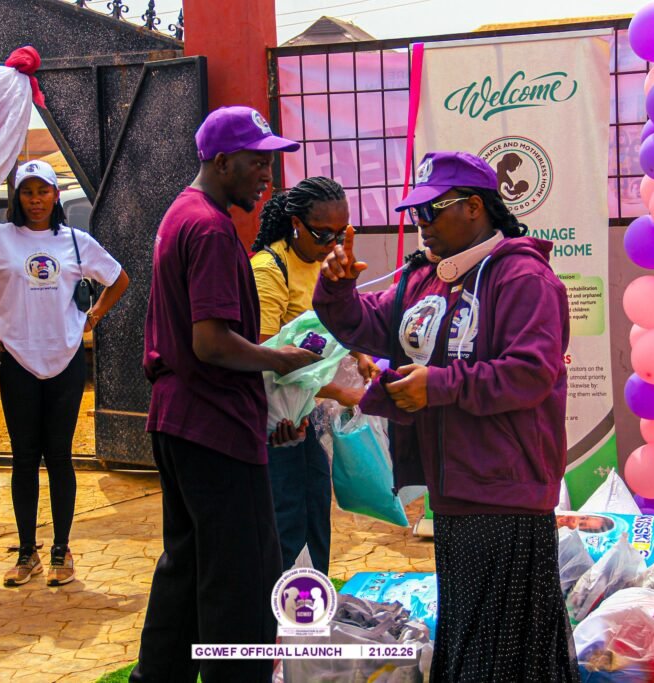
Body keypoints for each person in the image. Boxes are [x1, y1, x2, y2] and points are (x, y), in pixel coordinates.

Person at [313, 151, 578, 681]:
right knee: (472, 631)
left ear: (474, 207)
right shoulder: (427, 279)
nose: (422, 225)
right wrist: (338, 289)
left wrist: (439, 386)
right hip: (452, 485)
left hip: (506, 486)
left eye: (431, 211)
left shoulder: (523, 277)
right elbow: (366, 324)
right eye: (416, 214)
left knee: (500, 646)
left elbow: (531, 373)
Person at [132, 105, 318, 683]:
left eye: (270, 162)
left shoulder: (181, 213)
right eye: (257, 162)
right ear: (220, 161)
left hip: (180, 421)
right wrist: (282, 360)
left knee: (187, 568)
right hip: (213, 425)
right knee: (241, 577)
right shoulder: (211, 229)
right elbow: (211, 343)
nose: (267, 176)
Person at [0, 160, 129, 587]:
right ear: (17, 197)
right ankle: (27, 553)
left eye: (43, 191)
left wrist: (94, 316)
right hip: (18, 361)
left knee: (59, 457)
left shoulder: (75, 241)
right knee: (24, 458)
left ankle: (62, 550)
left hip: (65, 360)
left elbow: (119, 279)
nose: (36, 200)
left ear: (55, 196)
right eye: (28, 192)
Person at [251, 176, 378, 575]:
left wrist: (360, 354)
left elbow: (333, 320)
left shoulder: (326, 263)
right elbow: (266, 360)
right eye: (323, 234)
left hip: (308, 414)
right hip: (278, 422)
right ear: (296, 224)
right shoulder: (268, 270)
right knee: (287, 523)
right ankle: (283, 607)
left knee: (314, 516)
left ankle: (313, 600)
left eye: (341, 233)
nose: (333, 244)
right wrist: (341, 392)